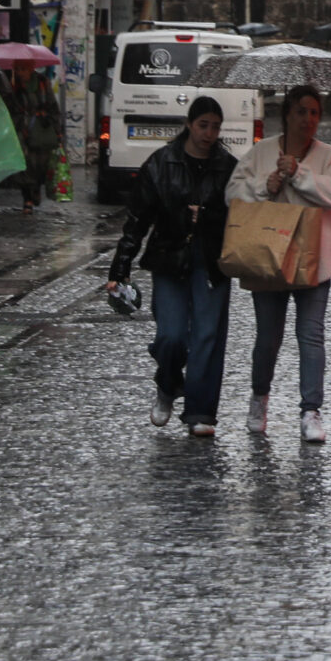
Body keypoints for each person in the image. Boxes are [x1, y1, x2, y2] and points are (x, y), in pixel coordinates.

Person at [108, 96, 239, 436]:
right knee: (171, 335)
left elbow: (242, 215)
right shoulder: (161, 163)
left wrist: (208, 217)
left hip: (212, 261)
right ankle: (167, 384)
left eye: (215, 126)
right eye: (203, 125)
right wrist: (119, 268)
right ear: (189, 124)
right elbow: (137, 220)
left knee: (208, 337)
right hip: (169, 258)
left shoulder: (228, 166)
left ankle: (201, 412)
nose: (209, 133)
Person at [230, 85, 331, 442]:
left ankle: (311, 410)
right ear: (287, 114)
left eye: (314, 112)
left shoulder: (330, 157)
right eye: (301, 111)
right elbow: (232, 191)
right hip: (268, 257)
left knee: (310, 336)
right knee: (268, 338)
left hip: (314, 261)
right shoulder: (261, 151)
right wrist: (262, 185)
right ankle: (259, 396)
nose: (308, 119)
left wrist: (298, 174)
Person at [17, 73, 65, 210]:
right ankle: (27, 199)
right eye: (18, 68)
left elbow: (53, 107)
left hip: (41, 129)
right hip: (23, 129)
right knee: (24, 164)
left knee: (41, 164)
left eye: (24, 68)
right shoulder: (14, 85)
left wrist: (57, 129)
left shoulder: (43, 83)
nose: (22, 72)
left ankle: (36, 187)